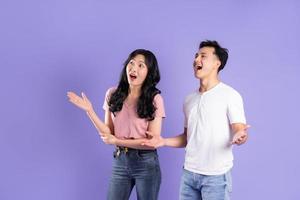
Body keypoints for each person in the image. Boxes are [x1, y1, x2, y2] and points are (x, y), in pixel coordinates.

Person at [143, 40, 249, 200]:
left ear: (216, 64)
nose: (196, 60)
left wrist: (240, 135)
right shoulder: (189, 99)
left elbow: (238, 128)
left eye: (203, 56)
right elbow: (187, 138)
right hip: (189, 174)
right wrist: (162, 141)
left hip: (216, 177)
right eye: (196, 56)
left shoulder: (230, 95)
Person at [67, 49, 165, 200]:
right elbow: (108, 133)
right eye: (131, 63)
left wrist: (117, 141)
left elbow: (152, 143)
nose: (134, 68)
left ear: (149, 73)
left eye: (141, 65)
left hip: (146, 163)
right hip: (120, 161)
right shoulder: (113, 94)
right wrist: (89, 111)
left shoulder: (155, 99)